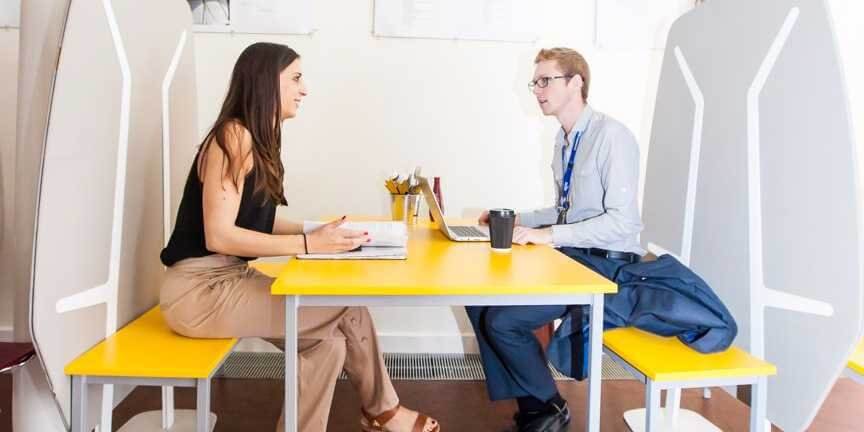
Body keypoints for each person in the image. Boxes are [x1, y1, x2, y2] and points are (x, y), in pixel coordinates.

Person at [159, 42, 440, 432]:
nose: (304, 88)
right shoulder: (233, 136)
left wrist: (318, 231)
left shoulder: (256, 139)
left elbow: (257, 221)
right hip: (200, 292)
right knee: (350, 308)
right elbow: (220, 235)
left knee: (328, 343)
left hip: (228, 281)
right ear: (264, 82)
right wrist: (310, 245)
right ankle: (384, 413)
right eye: (295, 78)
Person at [467, 47, 645, 432]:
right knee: (480, 301)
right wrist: (513, 219)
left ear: (577, 82)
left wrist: (547, 236)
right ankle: (537, 410)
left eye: (546, 80)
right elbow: (565, 210)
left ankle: (549, 407)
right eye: (536, 82)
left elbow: (622, 223)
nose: (537, 89)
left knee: (503, 320)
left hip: (607, 264)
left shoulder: (611, 137)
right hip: (575, 255)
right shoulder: (564, 140)